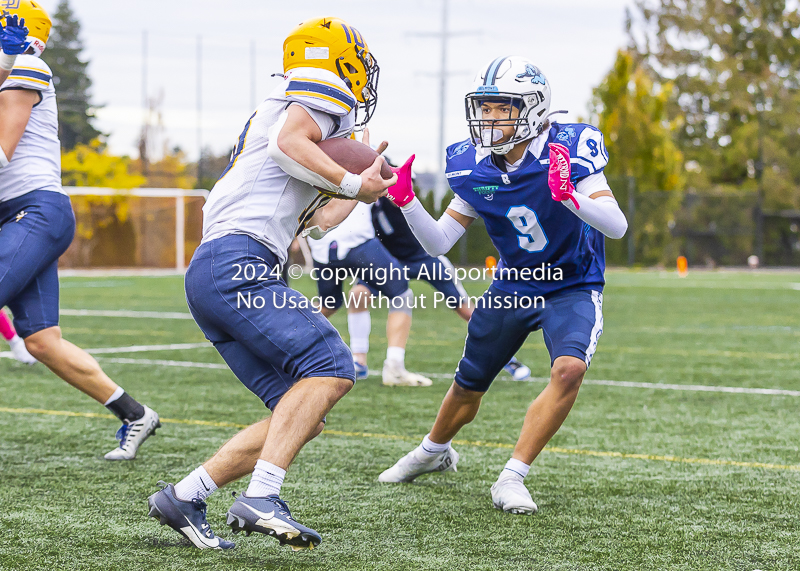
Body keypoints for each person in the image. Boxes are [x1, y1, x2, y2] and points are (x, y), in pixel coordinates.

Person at [146, 17, 396, 551]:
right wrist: (353, 178)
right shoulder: (315, 90)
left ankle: (186, 495)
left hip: (217, 269)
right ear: (340, 58)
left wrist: (367, 187)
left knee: (301, 412)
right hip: (240, 261)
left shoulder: (285, 111)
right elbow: (289, 142)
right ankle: (263, 496)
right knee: (331, 366)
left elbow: (322, 219)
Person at [378, 56, 627, 515]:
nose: (488, 118)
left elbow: (616, 226)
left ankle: (512, 476)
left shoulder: (571, 148)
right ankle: (431, 451)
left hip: (572, 282)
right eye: (483, 107)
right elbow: (439, 242)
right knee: (470, 383)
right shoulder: (471, 164)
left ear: (532, 108)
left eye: (500, 108)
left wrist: (569, 194)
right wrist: (407, 201)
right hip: (513, 284)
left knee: (569, 369)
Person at [0, 0, 160, 461]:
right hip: (19, 215)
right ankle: (135, 413)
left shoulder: (26, 64)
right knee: (42, 341)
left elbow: (3, 151)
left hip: (34, 211)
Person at [371, 190, 532, 381]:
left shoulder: (399, 199)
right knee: (358, 295)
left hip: (425, 260)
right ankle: (359, 361)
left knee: (467, 311)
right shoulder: (368, 206)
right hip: (391, 262)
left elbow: (400, 198)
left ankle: (508, 360)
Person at [308, 200, 432, 386]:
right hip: (357, 240)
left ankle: (281, 342)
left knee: (329, 304)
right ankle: (395, 368)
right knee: (401, 295)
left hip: (321, 246)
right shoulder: (361, 168)